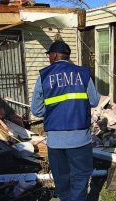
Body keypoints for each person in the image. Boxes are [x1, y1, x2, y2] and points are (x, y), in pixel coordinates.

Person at [31, 40, 100, 201]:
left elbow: (36, 109)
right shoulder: (82, 73)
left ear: (54, 55)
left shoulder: (44, 76)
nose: (49, 58)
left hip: (55, 141)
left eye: (49, 55)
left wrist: (54, 111)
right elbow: (95, 101)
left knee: (61, 179)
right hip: (80, 139)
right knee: (80, 176)